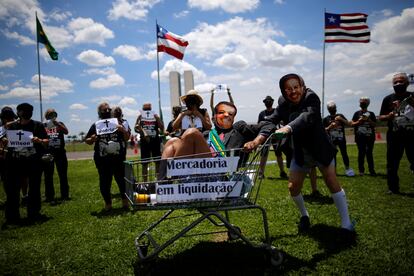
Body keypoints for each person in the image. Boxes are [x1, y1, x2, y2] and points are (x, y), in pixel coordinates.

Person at [269, 73, 354, 234]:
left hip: (319, 147)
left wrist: (287, 128)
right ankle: (305, 216)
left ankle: (346, 224)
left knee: (331, 180)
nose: (293, 91)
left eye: (296, 87)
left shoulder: (311, 97)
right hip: (300, 151)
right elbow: (271, 119)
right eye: (288, 89)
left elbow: (307, 116)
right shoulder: (282, 103)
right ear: (283, 91)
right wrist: (257, 135)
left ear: (302, 86)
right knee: (293, 187)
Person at [4, 103, 49, 224]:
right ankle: (12, 216)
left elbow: (46, 141)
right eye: (24, 110)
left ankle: (33, 213)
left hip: (33, 161)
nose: (28, 112)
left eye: (30, 110)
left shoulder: (37, 125)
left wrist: (39, 140)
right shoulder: (12, 127)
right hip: (15, 161)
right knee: (13, 189)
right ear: (18, 112)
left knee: (34, 188)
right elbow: (5, 139)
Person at [85, 102, 130, 211]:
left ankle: (125, 202)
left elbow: (127, 138)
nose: (107, 112)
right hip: (102, 159)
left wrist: (122, 130)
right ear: (99, 113)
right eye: (104, 110)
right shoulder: (96, 125)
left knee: (121, 180)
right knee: (105, 181)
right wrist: (92, 139)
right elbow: (87, 140)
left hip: (118, 158)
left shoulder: (118, 123)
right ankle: (108, 204)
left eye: (108, 109)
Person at [379, 72, 414, 194]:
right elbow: (381, 117)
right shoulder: (388, 99)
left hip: (411, 135)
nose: (398, 84)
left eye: (401, 81)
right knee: (392, 163)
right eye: (395, 82)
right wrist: (388, 116)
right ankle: (393, 188)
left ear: (407, 83)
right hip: (394, 136)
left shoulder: (412, 96)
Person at [258, 95, 292, 179]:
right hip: (266, 136)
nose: (268, 102)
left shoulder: (277, 111)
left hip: (276, 136)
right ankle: (261, 173)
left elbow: (283, 122)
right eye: (266, 101)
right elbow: (259, 125)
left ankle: (282, 172)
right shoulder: (262, 113)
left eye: (269, 101)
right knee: (264, 155)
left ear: (272, 102)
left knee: (278, 154)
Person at [42, 108, 70, 203]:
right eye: (50, 115)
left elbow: (66, 132)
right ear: (46, 116)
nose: (52, 116)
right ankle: (49, 196)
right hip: (48, 153)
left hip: (60, 152)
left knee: (63, 175)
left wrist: (58, 124)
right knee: (48, 175)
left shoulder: (60, 123)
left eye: (54, 114)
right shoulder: (43, 125)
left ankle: (65, 195)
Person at [323, 101, 355, 177]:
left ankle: (348, 169)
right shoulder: (326, 119)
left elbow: (349, 124)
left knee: (344, 154)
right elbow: (323, 130)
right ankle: (334, 171)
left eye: (333, 108)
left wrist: (341, 119)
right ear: (328, 109)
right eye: (331, 108)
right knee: (333, 156)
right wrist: (330, 127)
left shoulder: (340, 116)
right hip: (331, 140)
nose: (333, 109)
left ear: (336, 108)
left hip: (341, 139)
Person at [134, 103, 164, 181]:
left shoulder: (155, 116)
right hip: (144, 142)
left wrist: (157, 118)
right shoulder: (140, 116)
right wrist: (139, 128)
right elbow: (135, 128)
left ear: (151, 109)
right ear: (143, 109)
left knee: (157, 162)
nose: (147, 111)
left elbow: (162, 127)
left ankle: (158, 181)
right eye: (145, 110)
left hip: (155, 141)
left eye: (148, 109)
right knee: (144, 163)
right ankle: (145, 183)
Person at [351, 97, 377, 176]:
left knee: (369, 153)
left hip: (370, 137)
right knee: (361, 153)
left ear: (368, 103)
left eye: (364, 102)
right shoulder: (356, 113)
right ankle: (361, 171)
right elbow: (352, 124)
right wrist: (359, 121)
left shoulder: (371, 113)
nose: (362, 103)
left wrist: (368, 119)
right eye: (361, 102)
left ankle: (371, 170)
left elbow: (375, 124)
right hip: (359, 137)